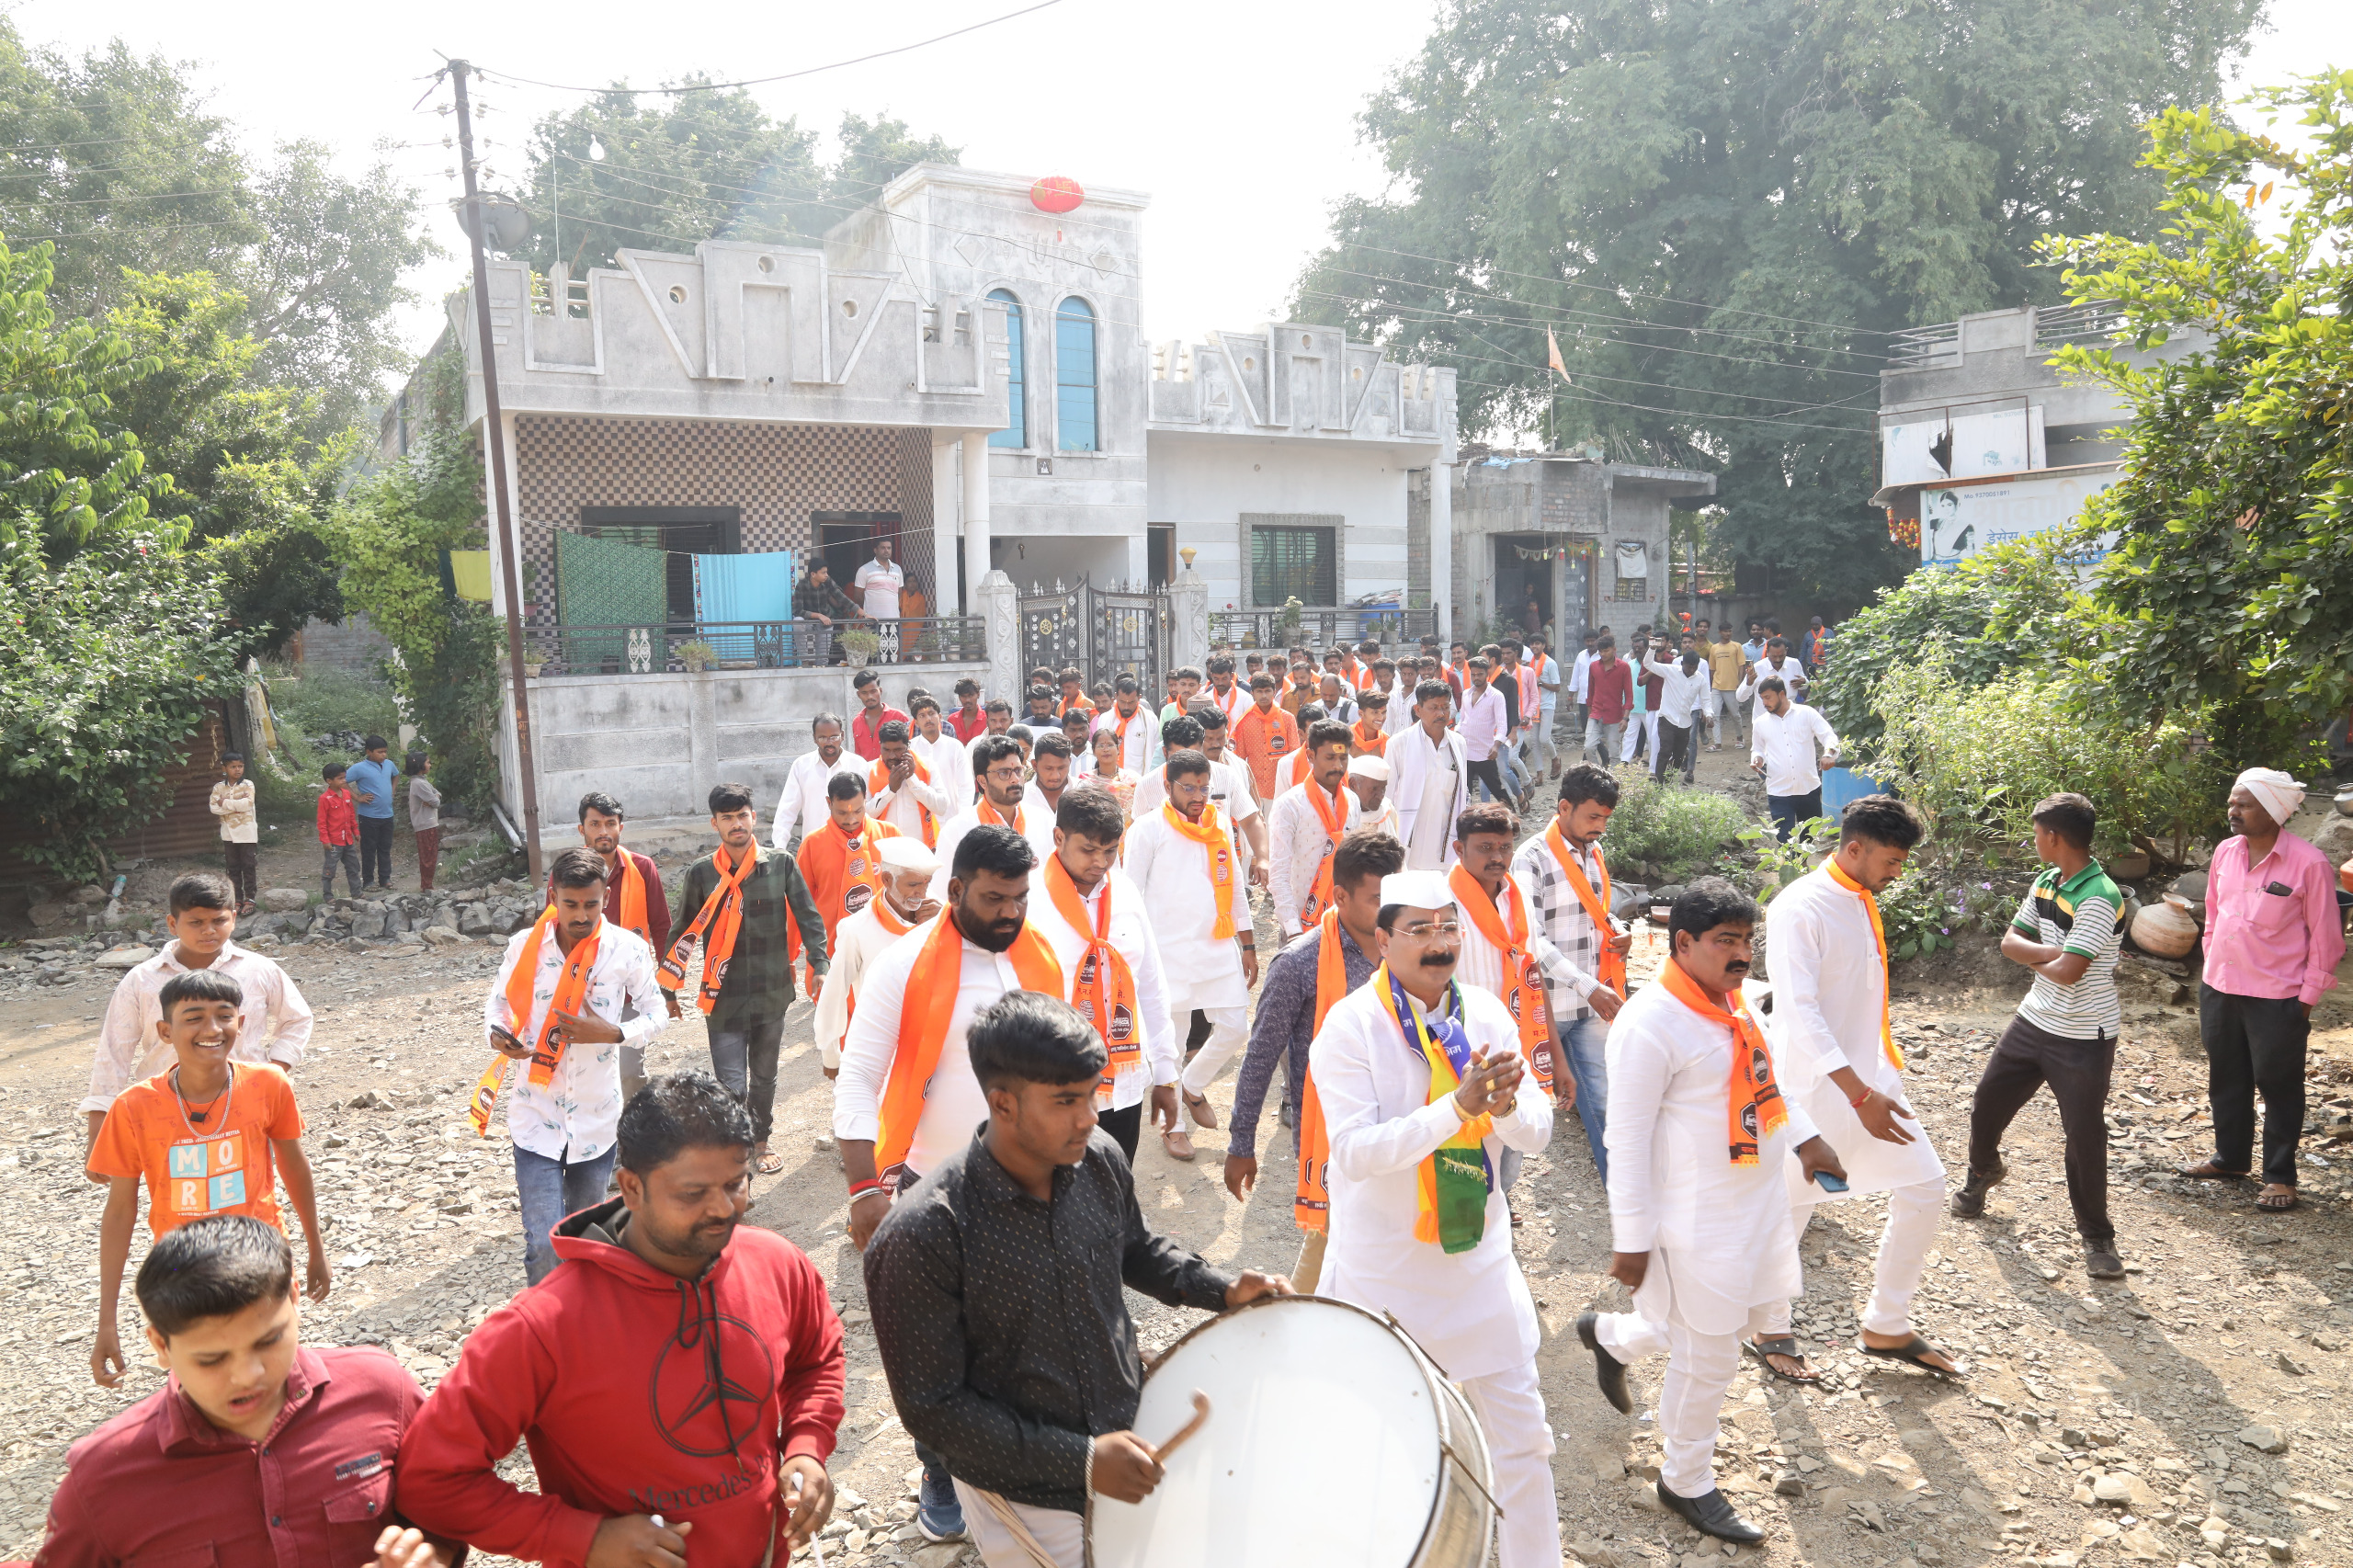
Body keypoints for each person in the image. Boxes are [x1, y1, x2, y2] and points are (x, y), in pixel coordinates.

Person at [863, 993, 1291, 1568]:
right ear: (1003, 1103)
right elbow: (934, 1410)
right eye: (1066, 1101)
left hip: (1131, 1442)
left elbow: (1136, 1248)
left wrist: (1224, 1289)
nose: (1090, 1116)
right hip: (1027, 1498)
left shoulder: (1098, 1158)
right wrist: (1083, 1462)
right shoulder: (923, 1234)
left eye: (1092, 1094)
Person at [397, 1074, 845, 1566]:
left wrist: (806, 1445)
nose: (723, 1208)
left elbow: (816, 1359)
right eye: (693, 1193)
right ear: (631, 1187)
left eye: (735, 1184)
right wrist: (583, 1538)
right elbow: (430, 1480)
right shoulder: (541, 1328)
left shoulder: (777, 1264)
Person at [1578, 880, 1845, 1545]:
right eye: (1726, 941)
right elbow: (1624, 1139)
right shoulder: (1651, 1023)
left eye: (1747, 940)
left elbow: (1766, 1081)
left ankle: (1611, 1338)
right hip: (1693, 1220)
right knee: (1713, 1354)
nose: (1742, 954)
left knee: (1715, 1325)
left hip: (1753, 1203)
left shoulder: (1734, 1003)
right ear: (1683, 943)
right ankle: (1685, 1480)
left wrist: (1807, 1138)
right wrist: (1632, 1239)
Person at [1310, 869, 1559, 1568]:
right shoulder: (1350, 1027)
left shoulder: (1487, 1014)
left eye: (1449, 927)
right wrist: (1458, 1108)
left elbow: (1538, 1131)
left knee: (1524, 1443)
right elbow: (1355, 1153)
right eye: (1419, 929)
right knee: (1385, 1450)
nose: (1439, 943)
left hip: (1479, 1267)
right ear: (1383, 940)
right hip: (1387, 1277)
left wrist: (1505, 1108)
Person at [834, 824, 1063, 1541]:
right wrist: (864, 1189)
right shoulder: (902, 965)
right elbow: (858, 1077)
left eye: (1020, 899)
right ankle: (940, 1470)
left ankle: (1018, 1463)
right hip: (932, 1192)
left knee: (1022, 1335)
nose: (1010, 913)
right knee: (938, 1344)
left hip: (1027, 1186)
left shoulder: (1040, 957)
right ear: (956, 890)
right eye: (994, 899)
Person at [40, 1216, 451, 1568]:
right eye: (212, 1360)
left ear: (294, 1298)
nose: (247, 1375)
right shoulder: (102, 1478)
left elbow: (444, 1522)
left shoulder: (381, 1393)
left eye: (269, 1341)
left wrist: (428, 1556)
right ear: (161, 1346)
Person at [1759, 796, 1960, 1379]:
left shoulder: (1859, 897)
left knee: (1926, 1188)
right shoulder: (1800, 907)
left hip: (1869, 1079)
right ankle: (1769, 1325)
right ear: (1854, 849)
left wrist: (1873, 1085)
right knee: (1792, 1208)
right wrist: (1858, 1094)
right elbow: (1799, 1013)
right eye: (1892, 861)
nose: (1898, 873)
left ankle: (1886, 1324)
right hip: (1814, 1088)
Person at [88, 969, 329, 1387]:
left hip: (263, 1255)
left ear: (241, 1022)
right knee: (203, 1382)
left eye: (224, 1015)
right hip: (182, 1268)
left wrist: (315, 1250)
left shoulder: (269, 1084)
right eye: (194, 1017)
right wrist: (106, 1320)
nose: (212, 1029)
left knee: (276, 1372)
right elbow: (120, 1210)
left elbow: (294, 1167)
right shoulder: (133, 1107)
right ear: (165, 1031)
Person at [1953, 794, 2128, 1276]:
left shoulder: (2100, 896)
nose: (2034, 841)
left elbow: (2070, 973)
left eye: (2036, 833)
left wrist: (2042, 955)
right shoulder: (2048, 881)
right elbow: (2009, 943)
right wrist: (2057, 951)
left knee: (2084, 1136)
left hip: (2084, 1035)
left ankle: (2098, 1238)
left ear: (2053, 837)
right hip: (2034, 1019)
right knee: (1987, 1104)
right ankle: (1984, 1171)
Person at [483, 847, 670, 1284]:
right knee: (544, 1245)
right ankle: (545, 1320)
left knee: (587, 1244)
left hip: (595, 1121)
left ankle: (582, 1317)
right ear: (553, 896)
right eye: (571, 904)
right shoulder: (524, 947)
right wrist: (500, 1035)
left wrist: (613, 1032)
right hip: (535, 1116)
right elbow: (499, 1006)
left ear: (606, 897)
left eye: (591, 904)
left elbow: (657, 1012)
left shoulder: (627, 949)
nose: (581, 915)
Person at [1226, 830, 1402, 1287]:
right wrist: (1242, 1143)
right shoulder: (1298, 964)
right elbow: (1260, 1056)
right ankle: (1300, 1318)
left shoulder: (1405, 951)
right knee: (1332, 1238)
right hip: (1331, 1133)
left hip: (1398, 1123)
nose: (1390, 910)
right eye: (1377, 899)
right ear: (1340, 896)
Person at [2178, 768, 2346, 1211]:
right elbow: (2213, 914)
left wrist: (2306, 1000)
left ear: (2273, 811)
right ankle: (2231, 1159)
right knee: (2226, 1076)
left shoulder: (2308, 863)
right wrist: (2211, 961)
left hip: (2278, 996)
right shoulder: (2225, 852)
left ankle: (2280, 1177)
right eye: (2232, 803)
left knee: (2279, 1084)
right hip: (2220, 987)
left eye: (2244, 804)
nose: (2233, 811)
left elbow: (2327, 939)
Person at [84, 872, 313, 1172]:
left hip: (245, 1103)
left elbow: (298, 1019)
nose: (209, 931)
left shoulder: (259, 970)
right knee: (175, 1189)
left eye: (219, 921)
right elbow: (113, 1052)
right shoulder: (142, 980)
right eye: (196, 922)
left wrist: (273, 1072)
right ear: (172, 923)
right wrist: (97, 1133)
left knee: (248, 1186)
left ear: (234, 918)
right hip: (166, 1108)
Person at [665, 782, 830, 1177]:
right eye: (728, 818)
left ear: (753, 817)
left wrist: (820, 963)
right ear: (715, 824)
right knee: (730, 1084)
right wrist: (668, 987)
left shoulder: (780, 864)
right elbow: (683, 929)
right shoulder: (703, 873)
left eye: (742, 816)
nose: (736, 824)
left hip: (772, 993)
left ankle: (760, 1142)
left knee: (764, 1078)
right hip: (722, 995)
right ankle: (736, 1152)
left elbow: (808, 916)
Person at [1027, 788, 1177, 1163]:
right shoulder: (1029, 901)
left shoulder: (1125, 892)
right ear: (1059, 838)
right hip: (1055, 1086)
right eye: (1089, 850)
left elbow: (1151, 984)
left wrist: (1165, 1072)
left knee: (1116, 1182)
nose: (1100, 862)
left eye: (1110, 850)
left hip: (1123, 1083)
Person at [1125, 749, 1256, 1162]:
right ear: (1168, 787)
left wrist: (1249, 944)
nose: (1199, 796)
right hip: (1167, 953)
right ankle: (1174, 1126)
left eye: (1204, 788)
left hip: (1216, 945)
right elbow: (1130, 894)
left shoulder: (1218, 826)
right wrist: (1135, 954)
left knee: (1235, 1027)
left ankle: (1193, 1085)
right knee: (1172, 1045)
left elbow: (1235, 887)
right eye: (1189, 788)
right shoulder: (1147, 829)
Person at [1513, 765, 1632, 1178]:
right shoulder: (1530, 859)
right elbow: (1532, 940)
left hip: (1589, 1004)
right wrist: (1587, 986)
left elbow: (1597, 913)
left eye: (1606, 819)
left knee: (1605, 1104)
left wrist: (1620, 930)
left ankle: (1624, 1193)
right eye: (1593, 817)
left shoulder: (1592, 851)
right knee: (1518, 1109)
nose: (1600, 827)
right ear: (1564, 807)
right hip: (1546, 1006)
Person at [574, 791, 676, 1104]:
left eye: (610, 823)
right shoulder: (568, 872)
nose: (603, 831)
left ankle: (632, 1131)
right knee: (583, 1074)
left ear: (621, 827)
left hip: (631, 989)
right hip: (581, 991)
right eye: (595, 824)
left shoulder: (643, 869)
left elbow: (661, 926)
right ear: (582, 829)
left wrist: (668, 987)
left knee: (629, 1073)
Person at [813, 837, 941, 1076]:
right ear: (887, 880)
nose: (922, 892)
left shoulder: (942, 914)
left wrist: (946, 924)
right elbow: (835, 992)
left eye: (927, 883)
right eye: (913, 884)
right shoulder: (858, 928)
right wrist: (830, 1054)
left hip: (936, 1044)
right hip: (883, 1048)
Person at [799, 773, 901, 984]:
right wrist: (790, 956)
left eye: (858, 810)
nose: (851, 819)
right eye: (842, 812)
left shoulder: (890, 836)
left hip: (884, 949)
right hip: (832, 951)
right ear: (829, 803)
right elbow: (798, 905)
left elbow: (908, 892)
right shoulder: (813, 844)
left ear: (865, 800)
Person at [1267, 720, 1362, 944]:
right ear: (1311, 756)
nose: (1338, 765)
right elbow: (1278, 873)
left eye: (1343, 758)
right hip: (1301, 924)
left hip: (1343, 923)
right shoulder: (1290, 805)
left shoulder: (1352, 801)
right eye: (1330, 757)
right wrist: (1293, 931)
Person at [933, 735, 1057, 898]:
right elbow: (942, 896)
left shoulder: (1043, 821)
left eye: (1018, 770)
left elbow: (1054, 883)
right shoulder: (957, 830)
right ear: (982, 781)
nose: (1015, 779)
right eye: (1004, 773)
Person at [1747, 676, 1841, 842]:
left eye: (1768, 697)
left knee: (1808, 841)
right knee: (1785, 842)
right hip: (1778, 791)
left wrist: (1828, 754)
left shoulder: (1807, 713)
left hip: (1809, 788)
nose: (1764, 703)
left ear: (1782, 694)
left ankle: (1804, 858)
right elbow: (1758, 749)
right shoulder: (1760, 723)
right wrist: (1757, 759)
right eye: (1762, 698)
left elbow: (1829, 736)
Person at [1389, 679, 1468, 872]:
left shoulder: (1458, 743)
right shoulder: (1398, 743)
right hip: (1410, 843)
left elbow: (1462, 792)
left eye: (1445, 707)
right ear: (1418, 710)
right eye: (1434, 708)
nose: (1441, 713)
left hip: (1446, 844)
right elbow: (1387, 797)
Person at [772, 713, 865, 849]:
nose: (829, 743)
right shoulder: (801, 765)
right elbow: (787, 809)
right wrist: (779, 847)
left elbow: (867, 808)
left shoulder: (858, 765)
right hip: (813, 848)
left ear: (842, 735)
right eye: (822, 738)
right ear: (814, 738)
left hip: (851, 847)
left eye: (834, 737)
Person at [869, 718, 953, 847]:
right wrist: (890, 790)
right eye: (886, 750)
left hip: (920, 847)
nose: (892, 756)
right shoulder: (869, 770)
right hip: (883, 848)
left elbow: (941, 807)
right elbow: (865, 815)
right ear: (880, 745)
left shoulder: (928, 766)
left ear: (908, 746)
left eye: (898, 750)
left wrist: (912, 779)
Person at [1644, 641, 1711, 785]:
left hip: (1685, 722)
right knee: (1665, 751)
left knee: (1679, 756)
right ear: (1682, 664)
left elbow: (1706, 699)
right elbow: (1649, 664)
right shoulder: (1671, 671)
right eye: (1689, 666)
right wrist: (1652, 649)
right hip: (1667, 718)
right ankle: (1659, 785)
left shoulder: (1700, 679)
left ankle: (1668, 782)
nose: (1691, 670)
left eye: (1694, 667)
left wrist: (1709, 715)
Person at [1232, 671, 1300, 802]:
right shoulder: (1244, 721)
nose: (1264, 696)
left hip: (1281, 788)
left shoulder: (1287, 719)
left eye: (1267, 691)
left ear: (1274, 692)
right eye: (1259, 691)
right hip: (1253, 789)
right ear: (1252, 693)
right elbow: (1239, 757)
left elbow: (1294, 754)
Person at [347, 735, 400, 892]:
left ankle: (385, 878)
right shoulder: (359, 768)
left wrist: (393, 790)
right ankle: (368, 881)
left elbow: (396, 775)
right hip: (369, 816)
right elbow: (342, 782)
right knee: (369, 849)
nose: (384, 755)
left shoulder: (389, 764)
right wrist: (357, 797)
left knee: (385, 848)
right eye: (380, 752)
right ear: (368, 752)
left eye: (385, 752)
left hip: (387, 815)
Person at [1458, 656, 1512, 806]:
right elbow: (1462, 721)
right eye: (1473, 674)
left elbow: (1502, 726)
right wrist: (1456, 735)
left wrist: (1496, 746)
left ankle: (1512, 816)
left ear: (1487, 673)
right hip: (1466, 751)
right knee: (1464, 792)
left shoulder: (1496, 696)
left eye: (1480, 674)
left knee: (1497, 789)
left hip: (1485, 753)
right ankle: (1465, 818)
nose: (1476, 677)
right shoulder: (1466, 694)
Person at [210, 752, 258, 915]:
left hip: (247, 832)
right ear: (224, 768)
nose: (237, 770)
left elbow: (247, 804)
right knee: (233, 867)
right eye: (233, 767)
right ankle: (236, 899)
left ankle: (250, 899)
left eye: (240, 766)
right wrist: (237, 805)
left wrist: (225, 803)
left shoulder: (248, 785)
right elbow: (213, 808)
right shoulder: (218, 787)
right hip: (228, 834)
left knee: (248, 865)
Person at [910, 693, 975, 809]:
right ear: (916, 723)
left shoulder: (955, 747)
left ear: (940, 717)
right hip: (920, 816)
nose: (928, 719)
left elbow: (966, 785)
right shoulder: (911, 749)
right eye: (922, 716)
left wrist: (963, 815)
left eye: (931, 713)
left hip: (951, 815)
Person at [795, 560, 862, 665]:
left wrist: (863, 613)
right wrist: (818, 615)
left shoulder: (828, 582)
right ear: (813, 574)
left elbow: (843, 598)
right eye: (823, 572)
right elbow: (798, 611)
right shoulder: (801, 585)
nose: (826, 575)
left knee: (822, 661)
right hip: (808, 622)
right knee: (797, 621)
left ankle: (821, 666)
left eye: (827, 572)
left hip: (825, 622)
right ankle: (805, 660)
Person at [1583, 635, 1632, 766]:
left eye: (1606, 651)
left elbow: (1629, 695)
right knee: (1588, 747)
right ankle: (1599, 773)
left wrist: (1625, 718)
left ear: (1614, 649)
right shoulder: (1594, 666)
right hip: (1596, 714)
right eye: (1600, 651)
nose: (1603, 654)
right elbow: (1590, 692)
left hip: (1615, 717)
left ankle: (1613, 778)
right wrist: (1590, 714)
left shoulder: (1624, 667)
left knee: (1614, 754)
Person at [317, 762, 362, 901]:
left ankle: (357, 893)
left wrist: (355, 831)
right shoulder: (325, 799)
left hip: (348, 839)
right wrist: (325, 840)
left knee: (353, 866)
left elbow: (351, 815)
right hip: (334, 842)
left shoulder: (347, 794)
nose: (344, 781)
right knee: (330, 869)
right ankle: (328, 895)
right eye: (340, 778)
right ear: (329, 781)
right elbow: (322, 822)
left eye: (344, 777)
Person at [856, 536, 905, 660]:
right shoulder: (864, 570)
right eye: (883, 548)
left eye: (889, 548)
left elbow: (898, 593)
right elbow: (858, 597)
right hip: (873, 622)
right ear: (875, 550)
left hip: (893, 622)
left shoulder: (897, 569)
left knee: (890, 657)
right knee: (873, 657)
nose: (886, 550)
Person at [1081, 724, 1141, 820]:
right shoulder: (1086, 780)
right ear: (1094, 751)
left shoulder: (1132, 780)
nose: (1106, 749)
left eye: (1110, 745)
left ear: (1118, 749)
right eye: (1101, 746)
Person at [403, 752, 442, 893]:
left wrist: (434, 797)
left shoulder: (421, 781)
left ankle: (427, 884)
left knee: (430, 855)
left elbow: (437, 794)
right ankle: (426, 886)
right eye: (428, 762)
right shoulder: (419, 784)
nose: (430, 765)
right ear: (420, 765)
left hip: (427, 822)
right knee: (428, 856)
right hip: (425, 823)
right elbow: (436, 802)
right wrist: (434, 798)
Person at [850, 669, 910, 760]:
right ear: (859, 695)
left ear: (880, 691)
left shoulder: (899, 717)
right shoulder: (857, 722)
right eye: (864, 693)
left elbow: (909, 749)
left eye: (873, 691)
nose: (869, 696)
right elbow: (858, 756)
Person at [1620, 630, 1659, 766]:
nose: (1637, 650)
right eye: (1635, 648)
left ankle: (1655, 761)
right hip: (1633, 707)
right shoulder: (1629, 665)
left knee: (1653, 736)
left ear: (1647, 648)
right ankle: (1624, 761)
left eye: (1640, 648)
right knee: (1629, 735)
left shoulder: (1653, 665)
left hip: (1650, 707)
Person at [1706, 626, 1748, 751]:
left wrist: (1740, 682)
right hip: (1716, 686)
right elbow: (1712, 669)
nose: (1728, 633)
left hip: (1732, 686)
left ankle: (1740, 738)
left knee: (1735, 714)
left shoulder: (1737, 646)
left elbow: (1741, 665)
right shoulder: (1714, 648)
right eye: (1725, 631)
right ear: (1720, 632)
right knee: (1715, 715)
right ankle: (1717, 744)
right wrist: (1711, 685)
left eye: (1730, 631)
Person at [1347, 752, 1396, 838]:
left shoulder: (1389, 810)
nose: (1381, 795)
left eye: (1383, 788)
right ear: (1353, 784)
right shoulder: (1342, 814)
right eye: (1374, 789)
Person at [1203, 653, 1247, 725]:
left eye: (1224, 678)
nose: (1220, 683)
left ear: (1231, 675)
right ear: (1211, 676)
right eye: (1216, 679)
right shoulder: (1206, 700)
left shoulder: (1245, 698)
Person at [948, 676, 989, 741]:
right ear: (959, 697)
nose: (967, 700)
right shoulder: (952, 720)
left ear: (978, 694)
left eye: (971, 695)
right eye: (963, 696)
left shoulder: (988, 719)